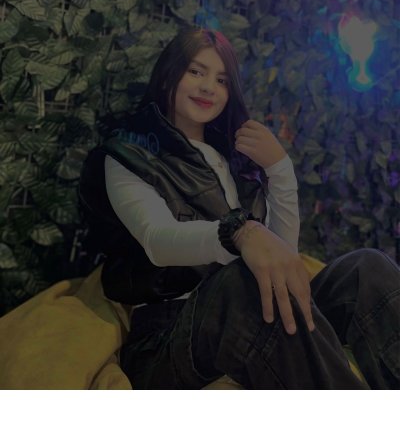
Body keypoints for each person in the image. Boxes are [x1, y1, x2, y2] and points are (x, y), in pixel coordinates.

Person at [78, 26, 400, 389]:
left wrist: (280, 169)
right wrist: (239, 233)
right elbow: (157, 239)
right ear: (168, 76)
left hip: (251, 311)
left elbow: (281, 254)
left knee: (366, 269)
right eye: (196, 72)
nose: (208, 87)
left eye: (221, 80)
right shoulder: (128, 155)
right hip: (170, 336)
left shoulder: (233, 158)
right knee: (241, 283)